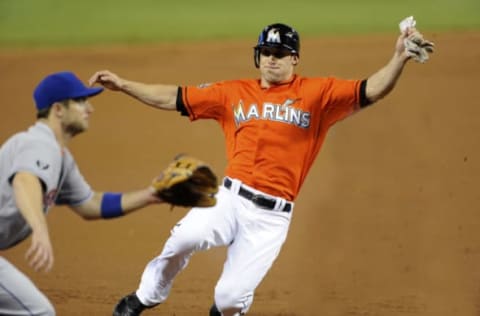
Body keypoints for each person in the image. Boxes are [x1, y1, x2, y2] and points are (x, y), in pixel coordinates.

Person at [89, 22, 432, 316]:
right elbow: (173, 96)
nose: (271, 58)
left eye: (280, 53)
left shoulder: (318, 94)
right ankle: (144, 297)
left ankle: (229, 308)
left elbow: (372, 89)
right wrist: (125, 85)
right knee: (184, 238)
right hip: (228, 198)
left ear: (294, 59)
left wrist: (399, 56)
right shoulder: (232, 93)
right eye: (266, 52)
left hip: (271, 219)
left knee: (228, 300)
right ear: (258, 56)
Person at [0, 71, 163, 316]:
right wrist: (40, 229)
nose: (90, 109)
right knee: (39, 312)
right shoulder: (39, 144)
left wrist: (151, 195)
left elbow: (90, 204)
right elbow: (25, 181)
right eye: (80, 101)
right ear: (58, 109)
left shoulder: (59, 157)